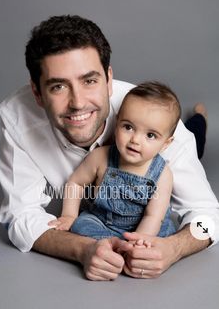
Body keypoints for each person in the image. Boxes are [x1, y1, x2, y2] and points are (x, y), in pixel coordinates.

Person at [0, 15, 219, 281]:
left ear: (109, 78)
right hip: (99, 220)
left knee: (196, 138)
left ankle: (198, 118)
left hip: (173, 151)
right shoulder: (17, 118)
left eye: (89, 81)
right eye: (58, 86)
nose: (78, 103)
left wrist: (173, 249)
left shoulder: (155, 121)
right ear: (37, 93)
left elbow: (209, 217)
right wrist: (82, 249)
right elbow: (19, 216)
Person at [48, 81, 181, 244]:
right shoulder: (100, 157)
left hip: (145, 227)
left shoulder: (162, 174)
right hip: (101, 222)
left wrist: (137, 241)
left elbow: (153, 216)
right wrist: (69, 215)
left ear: (166, 144)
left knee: (159, 238)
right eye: (128, 127)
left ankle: (199, 118)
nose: (135, 140)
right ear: (117, 123)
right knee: (80, 225)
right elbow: (76, 183)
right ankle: (111, 245)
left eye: (150, 135)